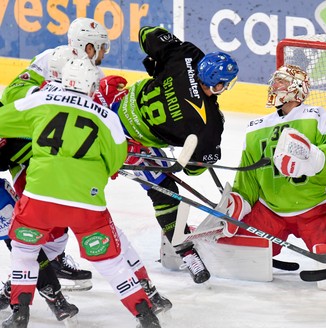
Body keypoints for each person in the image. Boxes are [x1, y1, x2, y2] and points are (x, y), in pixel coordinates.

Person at [0, 58, 161, 328]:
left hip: (39, 199)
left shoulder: (42, 100)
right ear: (90, 86)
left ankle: (20, 313)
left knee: (25, 251)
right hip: (87, 204)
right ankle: (145, 315)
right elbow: (114, 162)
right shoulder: (107, 117)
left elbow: (3, 121)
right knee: (111, 262)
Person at [98, 26, 239, 284]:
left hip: (108, 105)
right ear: (218, 84)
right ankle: (184, 252)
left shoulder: (184, 56)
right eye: (225, 84)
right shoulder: (209, 126)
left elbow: (146, 33)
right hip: (128, 145)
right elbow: (193, 169)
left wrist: (159, 61)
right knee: (165, 191)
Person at [0, 16, 112, 292]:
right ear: (87, 46)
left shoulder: (94, 75)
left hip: (56, 144)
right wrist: (48, 94)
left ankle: (52, 260)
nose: (103, 53)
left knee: (61, 201)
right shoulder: (50, 58)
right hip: (22, 140)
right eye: (100, 47)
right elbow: (14, 94)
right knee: (43, 203)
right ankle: (30, 273)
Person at [220, 64, 326, 263]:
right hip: (270, 211)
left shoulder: (318, 116)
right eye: (274, 80)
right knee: (234, 256)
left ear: (298, 87)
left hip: (320, 208)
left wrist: (316, 158)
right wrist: (238, 200)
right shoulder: (255, 128)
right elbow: (248, 176)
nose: (274, 85)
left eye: (282, 80)